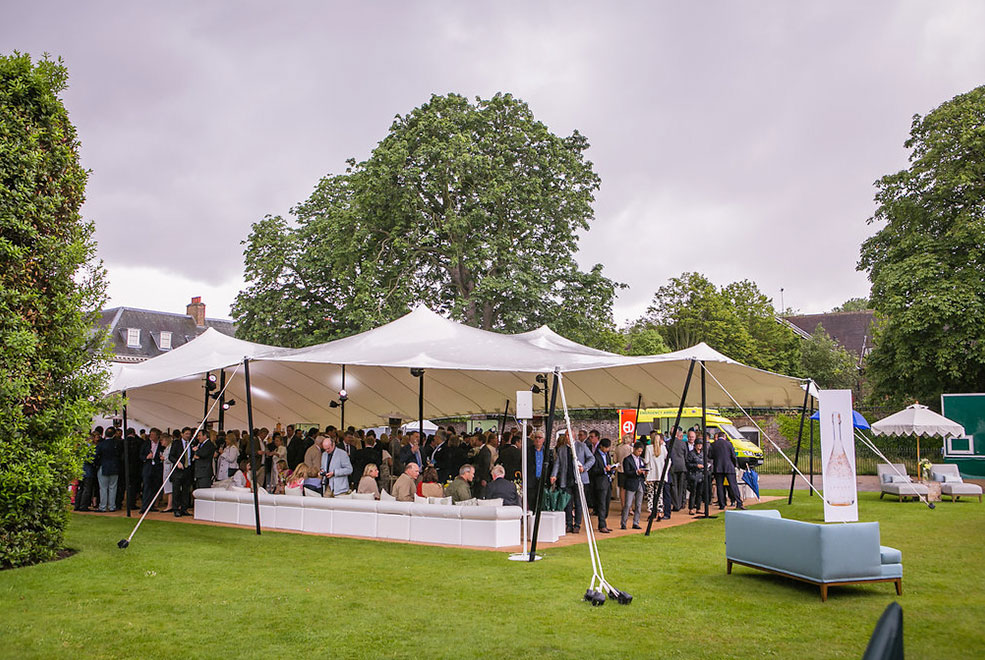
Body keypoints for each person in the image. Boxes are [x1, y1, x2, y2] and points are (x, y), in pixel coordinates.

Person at [711, 431, 745, 510]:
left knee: (719, 486)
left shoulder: (713, 444)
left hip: (718, 468)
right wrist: (734, 464)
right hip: (729, 467)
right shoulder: (729, 444)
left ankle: (722, 504)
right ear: (724, 437)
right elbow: (733, 456)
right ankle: (738, 502)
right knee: (733, 485)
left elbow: (710, 456)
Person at [588, 436, 616, 532]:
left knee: (607, 503)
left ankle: (604, 522)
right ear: (601, 447)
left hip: (607, 482)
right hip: (600, 483)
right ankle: (602, 524)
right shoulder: (595, 457)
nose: (608, 449)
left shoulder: (607, 455)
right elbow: (593, 471)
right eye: (606, 447)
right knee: (601, 504)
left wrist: (611, 469)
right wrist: (603, 470)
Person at [620, 442, 647, 529]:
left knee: (638, 504)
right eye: (638, 451)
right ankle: (623, 522)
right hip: (631, 483)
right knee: (628, 504)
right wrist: (636, 472)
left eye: (641, 451)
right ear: (634, 449)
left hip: (639, 483)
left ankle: (636, 522)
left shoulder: (641, 460)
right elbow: (627, 472)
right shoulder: (627, 459)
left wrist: (644, 473)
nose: (639, 453)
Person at [94, 431, 121, 512]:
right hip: (114, 467)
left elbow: (95, 455)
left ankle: (103, 506)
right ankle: (112, 506)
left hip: (104, 466)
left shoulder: (101, 444)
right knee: (113, 487)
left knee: (103, 488)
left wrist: (97, 464)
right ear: (113, 435)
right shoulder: (116, 444)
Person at [140, 428, 165, 513]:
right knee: (146, 487)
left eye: (153, 435)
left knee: (155, 487)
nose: (151, 436)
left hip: (157, 468)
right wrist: (146, 457)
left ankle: (152, 505)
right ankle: (144, 507)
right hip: (148, 467)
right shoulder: (146, 444)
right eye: (151, 434)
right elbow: (140, 455)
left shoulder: (161, 445)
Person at [75, 432, 99, 511]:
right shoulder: (90, 448)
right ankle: (83, 506)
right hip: (88, 471)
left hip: (80, 470)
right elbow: (92, 460)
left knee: (80, 488)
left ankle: (77, 505)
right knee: (87, 489)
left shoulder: (80, 448)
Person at [525, 430, 549, 510]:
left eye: (540, 438)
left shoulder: (547, 452)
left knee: (542, 502)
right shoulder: (528, 451)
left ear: (543, 439)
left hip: (543, 481)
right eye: (536, 437)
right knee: (532, 502)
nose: (538, 440)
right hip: (531, 481)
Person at [686, 437, 707, 515]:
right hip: (693, 474)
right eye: (698, 445)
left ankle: (698, 507)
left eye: (701, 445)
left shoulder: (703, 453)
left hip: (701, 475)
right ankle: (691, 508)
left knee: (700, 492)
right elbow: (688, 464)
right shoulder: (691, 453)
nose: (699, 446)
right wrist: (696, 465)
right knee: (693, 492)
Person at [613, 435, 635, 511]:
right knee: (630, 489)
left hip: (620, 470)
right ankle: (630, 508)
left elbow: (615, 460)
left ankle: (623, 507)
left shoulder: (618, 448)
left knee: (622, 490)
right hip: (629, 471)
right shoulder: (630, 449)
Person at [669, 427, 688, 511]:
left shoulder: (668, 443)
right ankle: (679, 504)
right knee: (681, 486)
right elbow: (686, 455)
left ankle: (676, 504)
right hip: (682, 466)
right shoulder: (683, 443)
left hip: (673, 466)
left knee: (674, 486)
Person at [160, 434, 174, 512]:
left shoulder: (170, 448)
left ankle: (170, 505)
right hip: (166, 470)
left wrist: (164, 458)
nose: (161, 442)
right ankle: (170, 504)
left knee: (170, 488)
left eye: (162, 440)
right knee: (168, 488)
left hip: (169, 470)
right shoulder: (166, 448)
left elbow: (171, 459)